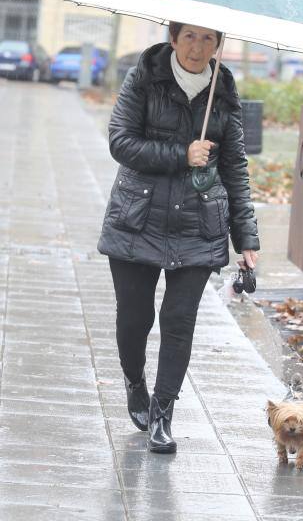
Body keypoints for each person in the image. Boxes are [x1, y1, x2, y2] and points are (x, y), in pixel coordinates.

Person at [97, 22, 260, 453]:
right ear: (173, 39)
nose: (197, 47)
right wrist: (181, 154)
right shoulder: (144, 77)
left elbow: (235, 168)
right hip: (138, 218)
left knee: (178, 321)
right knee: (135, 319)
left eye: (209, 39)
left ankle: (162, 413)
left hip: (197, 223)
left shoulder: (223, 91)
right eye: (189, 36)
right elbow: (120, 142)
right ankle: (135, 382)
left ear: (219, 46)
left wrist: (247, 236)